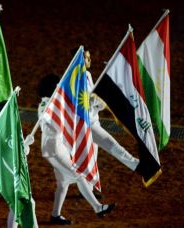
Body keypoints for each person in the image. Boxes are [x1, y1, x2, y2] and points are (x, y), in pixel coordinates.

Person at [37, 74, 116, 225]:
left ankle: (55, 215)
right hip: (55, 149)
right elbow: (56, 120)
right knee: (79, 175)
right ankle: (98, 207)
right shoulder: (49, 106)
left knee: (63, 183)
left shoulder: (47, 103)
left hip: (51, 148)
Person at [83, 49, 140, 172]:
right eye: (87, 58)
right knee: (111, 144)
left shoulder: (87, 75)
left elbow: (93, 98)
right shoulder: (75, 79)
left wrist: (99, 101)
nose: (90, 60)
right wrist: (96, 100)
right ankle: (137, 165)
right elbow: (85, 101)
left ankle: (88, 190)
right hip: (86, 124)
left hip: (94, 120)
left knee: (92, 161)